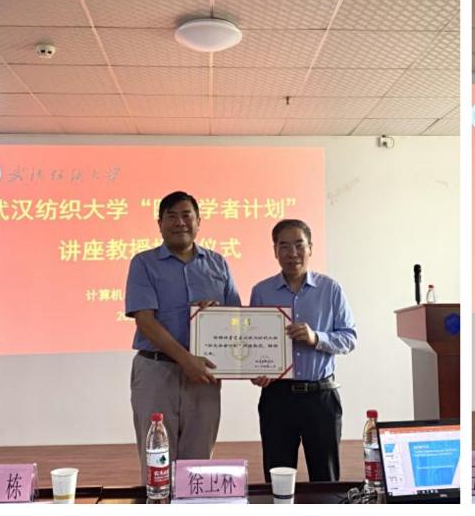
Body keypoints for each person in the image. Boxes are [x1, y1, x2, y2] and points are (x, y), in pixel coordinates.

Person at [125, 190, 242, 484]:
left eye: (186, 215)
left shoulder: (218, 264)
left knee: (198, 462)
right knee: (157, 460)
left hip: (204, 375)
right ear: (160, 223)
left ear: (198, 221)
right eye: (172, 216)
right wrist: (186, 359)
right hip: (156, 371)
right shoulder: (144, 263)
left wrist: (218, 313)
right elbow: (145, 320)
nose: (180, 222)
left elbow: (238, 319)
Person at [250, 219, 357, 483]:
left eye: (299, 245)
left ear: (311, 248)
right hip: (277, 397)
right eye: (284, 246)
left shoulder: (330, 289)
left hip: (320, 397)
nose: (292, 253)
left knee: (325, 478)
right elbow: (253, 342)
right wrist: (256, 371)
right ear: (275, 250)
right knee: (277, 476)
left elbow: (349, 338)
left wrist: (316, 338)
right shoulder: (261, 292)